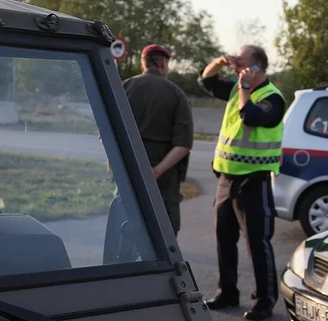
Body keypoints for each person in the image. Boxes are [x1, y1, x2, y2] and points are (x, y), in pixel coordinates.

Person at [198, 45, 285, 320]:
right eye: (235, 64)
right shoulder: (238, 89)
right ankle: (227, 292)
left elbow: (250, 118)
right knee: (224, 240)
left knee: (257, 243)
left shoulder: (272, 98)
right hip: (226, 180)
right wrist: (222, 60)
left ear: (258, 68)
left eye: (242, 64)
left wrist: (245, 86)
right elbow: (206, 80)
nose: (237, 69)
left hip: (253, 183)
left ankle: (264, 301)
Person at [122, 44, 194, 237]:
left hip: (126, 174)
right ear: (162, 63)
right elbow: (183, 144)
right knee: (163, 238)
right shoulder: (176, 94)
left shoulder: (123, 88)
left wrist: (127, 166)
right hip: (164, 181)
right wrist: (155, 172)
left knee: (124, 233)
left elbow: (106, 135)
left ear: (142, 64)